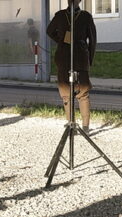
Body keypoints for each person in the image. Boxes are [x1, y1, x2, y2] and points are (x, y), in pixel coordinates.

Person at [46, 0, 96, 130]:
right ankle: (71, 124)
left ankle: (85, 126)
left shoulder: (86, 16)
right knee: (65, 92)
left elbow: (92, 39)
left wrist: (89, 58)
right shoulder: (60, 15)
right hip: (64, 57)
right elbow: (50, 31)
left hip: (80, 57)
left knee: (83, 91)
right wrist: (62, 41)